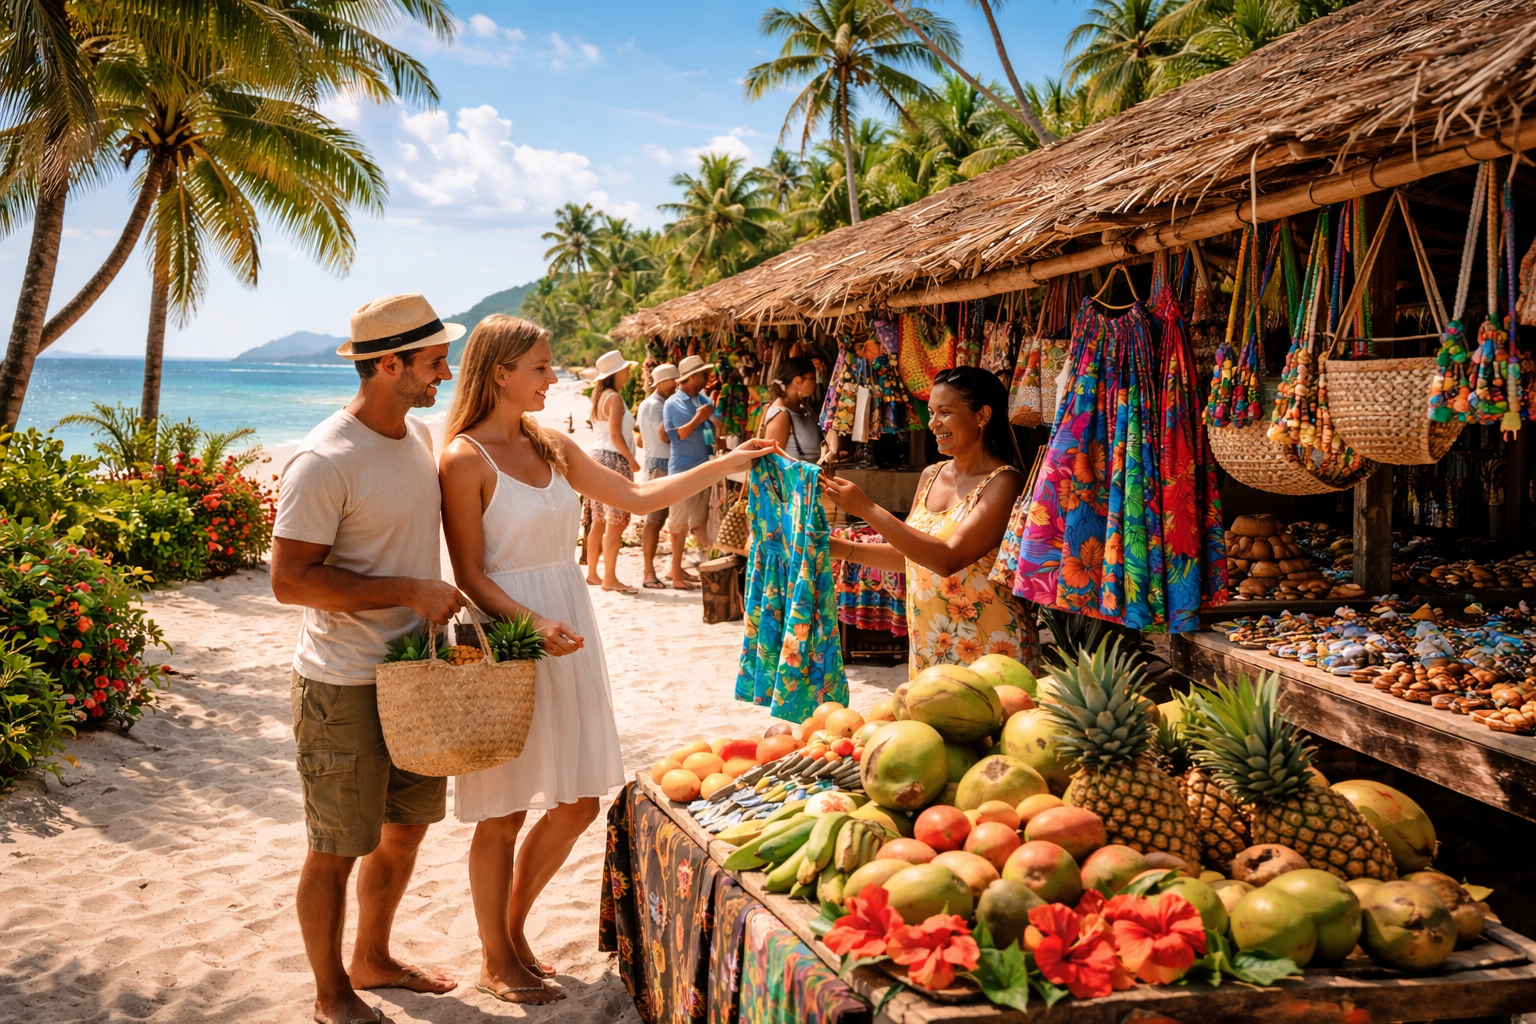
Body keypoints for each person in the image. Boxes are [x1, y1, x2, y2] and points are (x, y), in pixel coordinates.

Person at [437, 316, 781, 1004]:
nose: (553, 376)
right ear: (499, 372)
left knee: (576, 801)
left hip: (569, 622)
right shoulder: (463, 458)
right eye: (540, 366)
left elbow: (637, 495)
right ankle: (496, 955)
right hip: (508, 635)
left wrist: (727, 462)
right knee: (501, 810)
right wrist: (531, 623)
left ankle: (509, 931)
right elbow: (470, 574)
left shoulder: (551, 441)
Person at [270, 293, 467, 1024]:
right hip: (344, 683)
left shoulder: (415, 438)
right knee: (336, 846)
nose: (443, 373)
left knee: (407, 829)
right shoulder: (324, 459)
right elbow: (289, 581)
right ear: (389, 365)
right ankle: (331, 994)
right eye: (433, 361)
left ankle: (374, 957)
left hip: (414, 678)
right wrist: (408, 591)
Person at [824, 366, 1036, 674]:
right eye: (932, 412)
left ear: (982, 416)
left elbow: (949, 557)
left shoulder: (1003, 483)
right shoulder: (931, 475)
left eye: (945, 412)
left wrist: (867, 509)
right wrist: (841, 548)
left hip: (992, 647)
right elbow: (910, 553)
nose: (933, 423)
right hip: (931, 645)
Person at [583, 349, 642, 594]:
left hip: (596, 457)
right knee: (615, 522)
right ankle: (610, 578)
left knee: (598, 520)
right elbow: (617, 436)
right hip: (612, 458)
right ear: (616, 373)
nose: (629, 372)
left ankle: (594, 574)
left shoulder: (599, 397)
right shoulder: (615, 398)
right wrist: (632, 461)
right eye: (626, 369)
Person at [661, 354, 720, 590]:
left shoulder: (703, 399)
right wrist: (699, 419)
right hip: (682, 471)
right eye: (704, 375)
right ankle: (675, 574)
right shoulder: (672, 404)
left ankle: (707, 570)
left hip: (703, 468)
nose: (708, 378)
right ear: (692, 377)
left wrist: (715, 429)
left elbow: (713, 429)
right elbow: (676, 435)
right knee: (678, 527)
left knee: (700, 524)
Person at [636, 362, 680, 589]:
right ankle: (648, 572)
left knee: (663, 520)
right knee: (655, 520)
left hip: (659, 462)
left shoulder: (654, 403)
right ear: (663, 382)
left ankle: (670, 569)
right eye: (675, 381)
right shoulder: (655, 405)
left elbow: (642, 439)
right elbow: (663, 436)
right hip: (660, 464)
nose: (677, 386)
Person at [760, 356, 824, 462]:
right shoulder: (781, 416)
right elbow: (771, 464)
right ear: (798, 381)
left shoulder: (804, 410)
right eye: (812, 378)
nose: (814, 383)